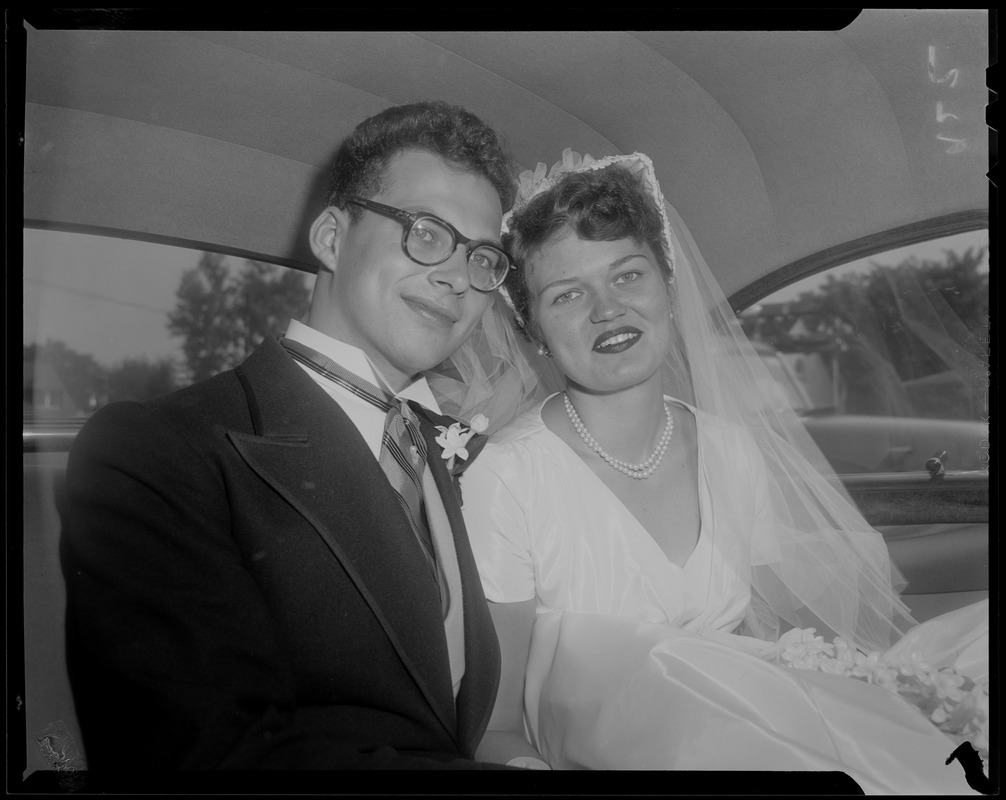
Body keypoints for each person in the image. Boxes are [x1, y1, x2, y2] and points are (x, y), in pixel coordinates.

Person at [460, 150, 990, 792]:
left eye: (628, 276)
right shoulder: (507, 479)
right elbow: (494, 727)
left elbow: (751, 645)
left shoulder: (733, 451)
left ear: (667, 284)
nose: (606, 310)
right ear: (533, 330)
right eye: (567, 294)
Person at [60, 101, 539, 774]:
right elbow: (212, 760)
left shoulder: (435, 451)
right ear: (332, 238)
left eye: (483, 257)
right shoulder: (158, 451)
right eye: (427, 233)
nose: (459, 278)